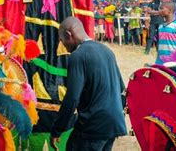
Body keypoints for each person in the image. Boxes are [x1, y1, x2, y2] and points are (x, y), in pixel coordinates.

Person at [50, 17, 127, 151]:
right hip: (113, 124)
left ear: (69, 35)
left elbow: (72, 98)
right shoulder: (107, 51)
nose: (64, 47)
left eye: (62, 42)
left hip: (93, 127)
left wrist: (57, 129)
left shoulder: (78, 56)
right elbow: (122, 90)